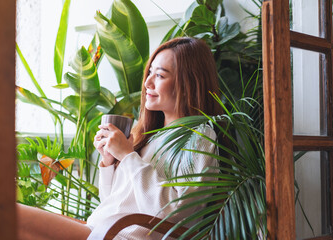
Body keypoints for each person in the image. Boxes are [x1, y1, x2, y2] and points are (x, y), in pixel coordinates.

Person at [17, 37, 223, 240]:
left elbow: (176, 215)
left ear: (189, 83)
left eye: (159, 76)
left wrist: (127, 156)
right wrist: (109, 162)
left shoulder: (199, 137)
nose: (147, 82)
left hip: (118, 236)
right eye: (149, 73)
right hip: (102, 231)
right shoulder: (153, 136)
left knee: (8, 215)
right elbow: (112, 202)